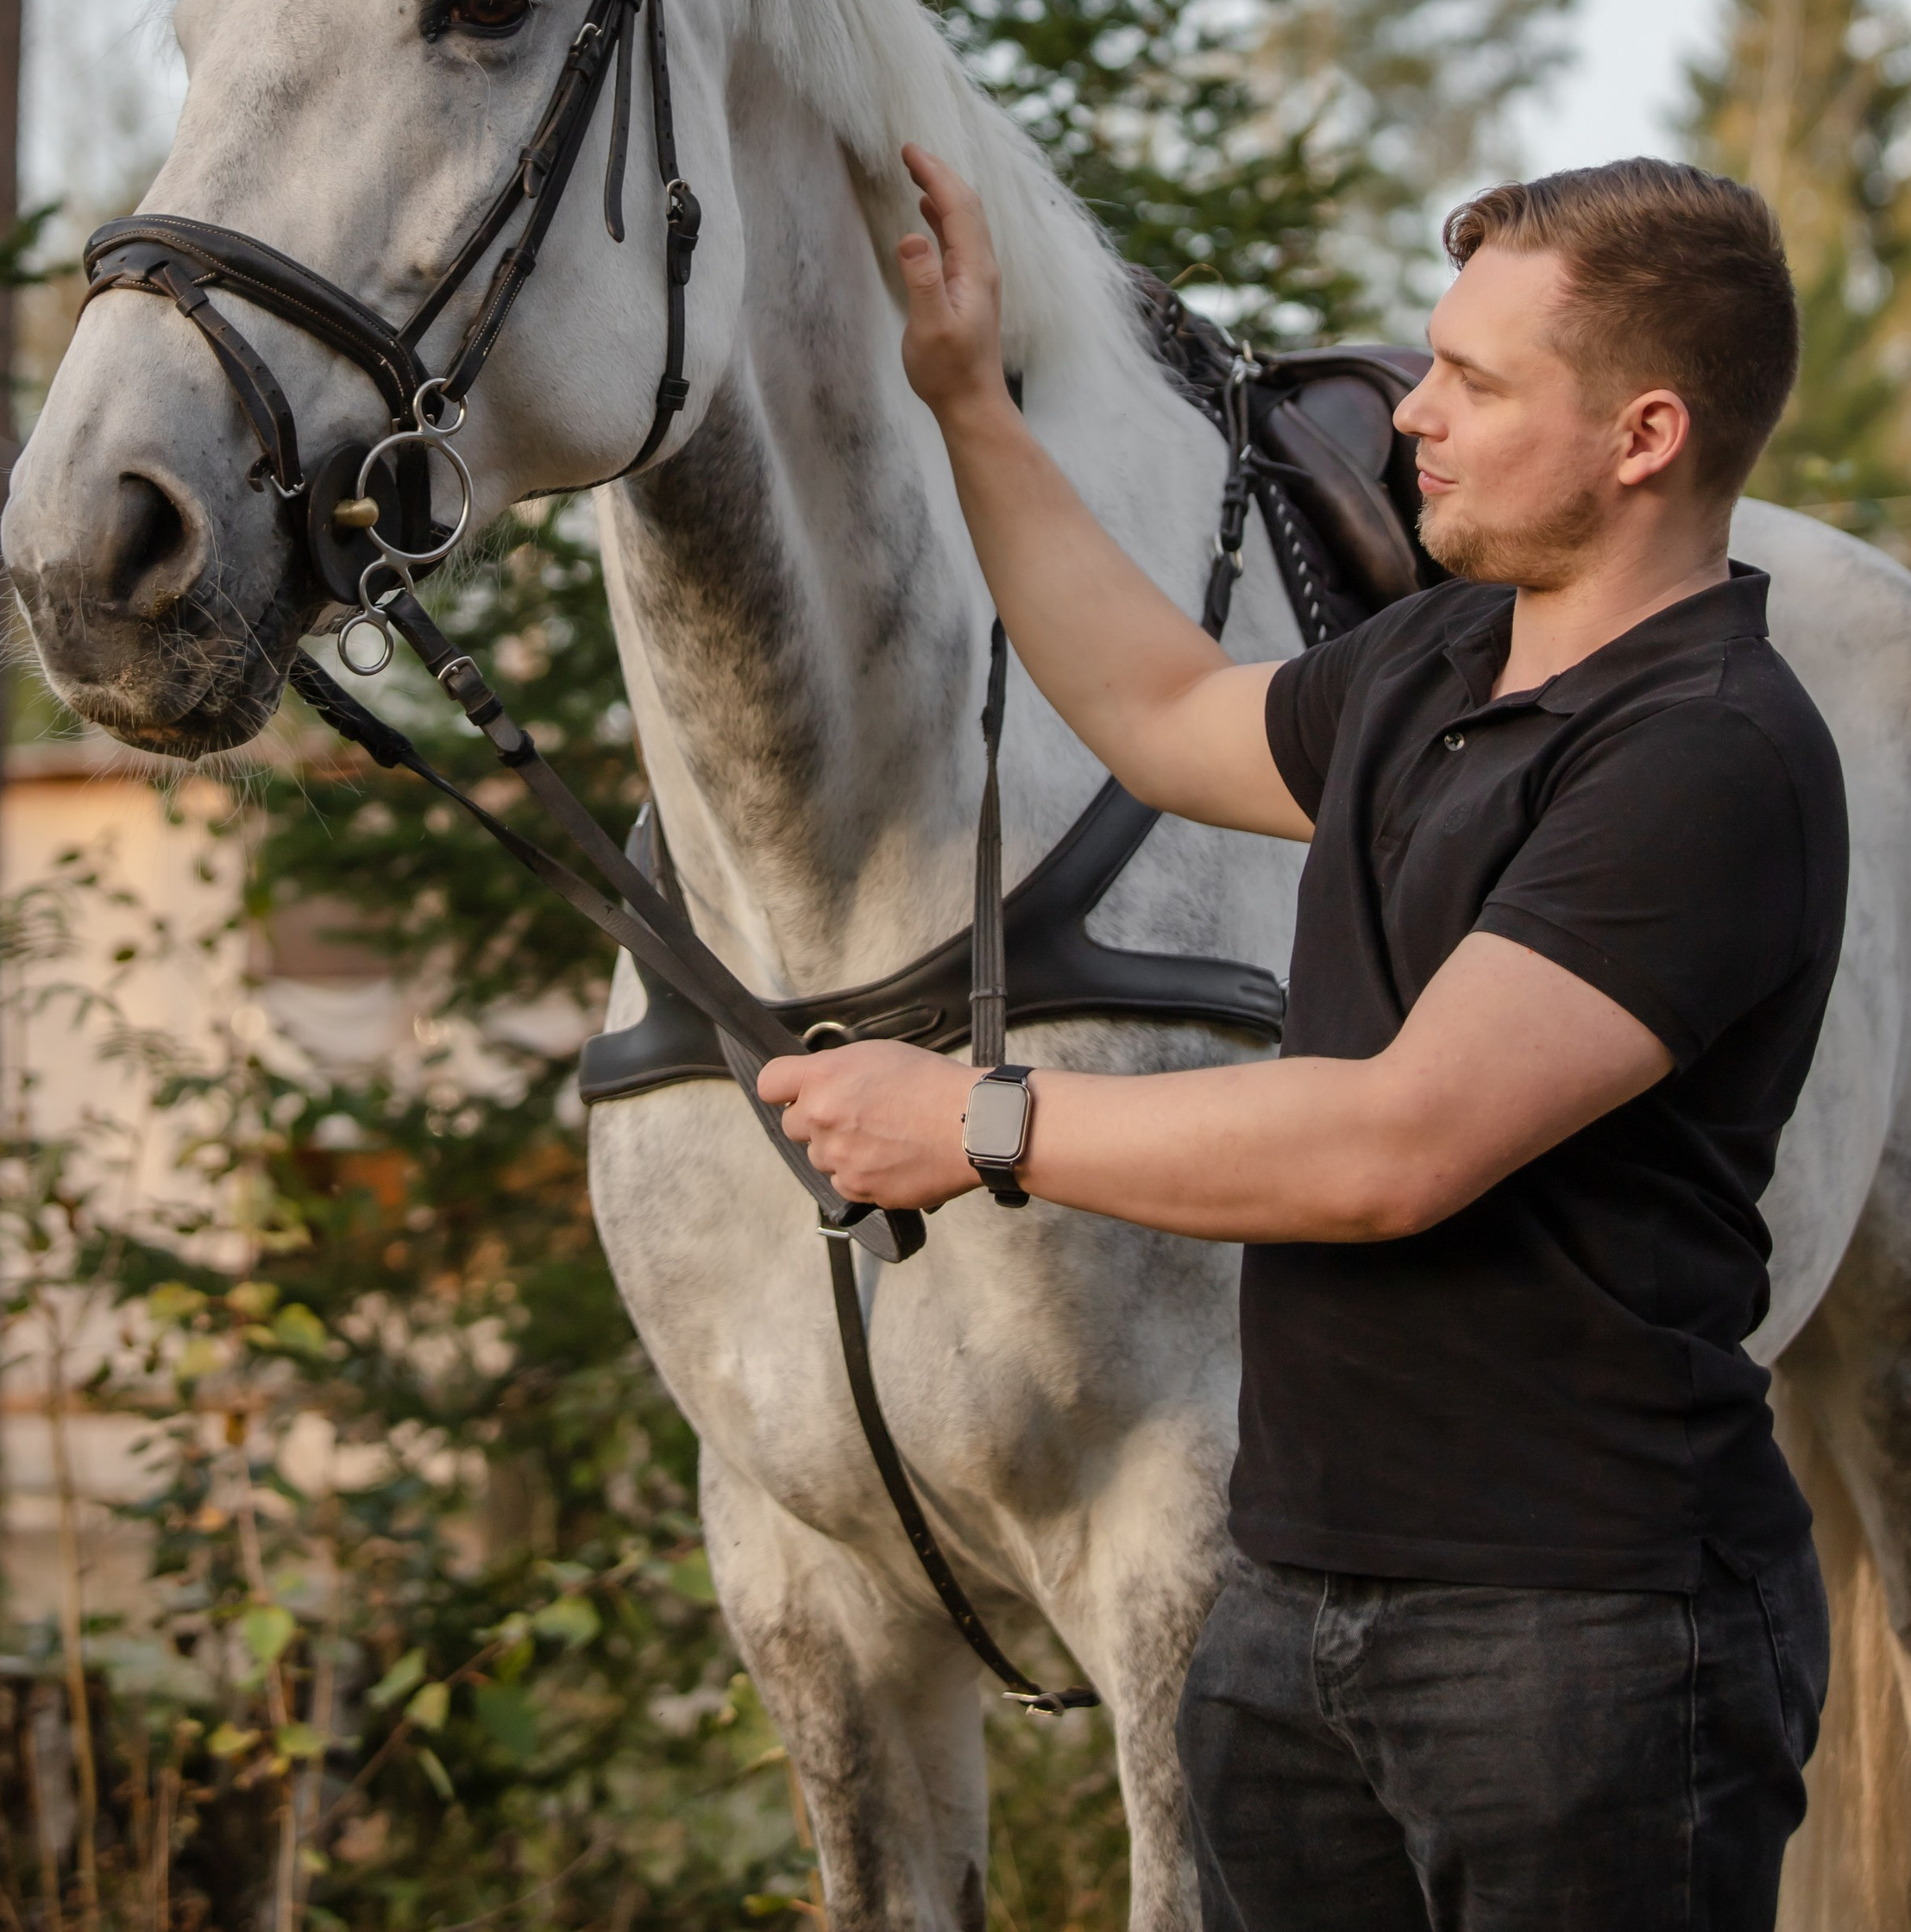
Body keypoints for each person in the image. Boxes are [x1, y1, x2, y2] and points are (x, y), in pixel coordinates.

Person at [761, 148, 1844, 1932]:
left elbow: (1388, 1149)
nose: (1407, 412)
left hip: (1577, 1640)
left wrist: (977, 1122)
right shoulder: (1439, 663)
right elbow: (1158, 706)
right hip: (1292, 1601)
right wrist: (967, 400)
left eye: (1472, 384)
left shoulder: (1701, 753)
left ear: (1642, 436)